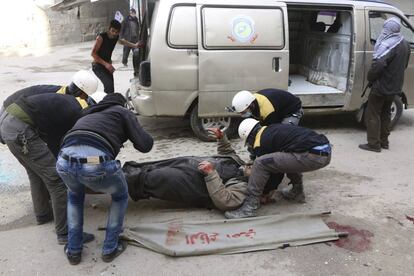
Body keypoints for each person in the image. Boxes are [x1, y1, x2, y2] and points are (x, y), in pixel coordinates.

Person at [0, 73, 99, 245]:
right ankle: (66, 233)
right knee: (56, 180)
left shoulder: (61, 100)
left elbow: (55, 142)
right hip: (19, 129)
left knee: (36, 172)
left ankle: (43, 214)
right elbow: (65, 145)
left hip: (10, 125)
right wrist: (92, 161)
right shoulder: (76, 110)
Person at [56, 93, 153, 265]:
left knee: (74, 196)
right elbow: (145, 145)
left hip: (64, 161)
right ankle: (110, 248)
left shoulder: (88, 113)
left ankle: (73, 250)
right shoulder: (122, 112)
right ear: (122, 104)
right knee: (120, 196)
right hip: (95, 163)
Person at [124, 128, 284, 211]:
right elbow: (228, 153)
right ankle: (116, 174)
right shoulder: (241, 164)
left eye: (256, 167)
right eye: (255, 163)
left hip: (189, 183)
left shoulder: (244, 188)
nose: (252, 164)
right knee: (148, 167)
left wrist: (211, 174)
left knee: (152, 178)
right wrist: (222, 138)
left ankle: (109, 182)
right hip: (187, 163)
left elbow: (225, 201)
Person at [225, 118, 331, 219]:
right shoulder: (271, 130)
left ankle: (250, 206)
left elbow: (274, 172)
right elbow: (279, 163)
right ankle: (297, 192)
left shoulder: (262, 141)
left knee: (260, 163)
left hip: (313, 156)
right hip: (324, 151)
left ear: (250, 137)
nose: (250, 145)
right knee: (284, 156)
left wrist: (266, 191)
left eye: (248, 142)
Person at [359, 17, 411, 152]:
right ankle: (384, 142)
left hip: (381, 86)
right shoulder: (404, 43)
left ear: (388, 29)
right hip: (395, 86)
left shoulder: (386, 45)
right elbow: (404, 65)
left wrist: (370, 77)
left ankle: (373, 144)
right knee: (386, 113)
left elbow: (379, 64)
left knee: (373, 113)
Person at [91, 19, 143, 94]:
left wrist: (135, 45)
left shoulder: (116, 37)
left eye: (117, 32)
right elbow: (93, 54)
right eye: (113, 31)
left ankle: (109, 102)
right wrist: (106, 64)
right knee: (108, 85)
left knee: (110, 88)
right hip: (97, 66)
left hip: (107, 66)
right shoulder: (101, 37)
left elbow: (122, 41)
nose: (114, 33)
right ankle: (107, 103)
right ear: (109, 28)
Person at [231, 88, 303, 126]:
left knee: (283, 134)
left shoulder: (267, 109)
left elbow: (273, 129)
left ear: (250, 106)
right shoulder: (252, 101)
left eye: (243, 112)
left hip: (293, 110)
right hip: (278, 109)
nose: (242, 115)